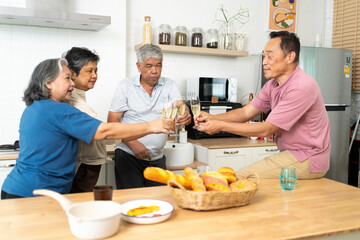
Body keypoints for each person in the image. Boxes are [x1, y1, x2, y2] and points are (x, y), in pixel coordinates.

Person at [1, 58, 172, 199]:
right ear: (49, 84)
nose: (72, 84)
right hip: (35, 194)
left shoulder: (33, 107)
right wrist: (151, 126)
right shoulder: (60, 110)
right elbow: (104, 131)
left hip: (16, 189)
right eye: (67, 78)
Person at [195, 31, 330, 180]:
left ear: (290, 57)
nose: (264, 62)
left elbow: (266, 129)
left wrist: (220, 126)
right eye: (263, 56)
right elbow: (246, 112)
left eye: (270, 56)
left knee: (243, 176)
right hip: (292, 154)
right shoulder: (272, 84)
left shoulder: (301, 86)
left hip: (310, 157)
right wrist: (212, 117)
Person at [108, 44, 191, 189]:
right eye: (149, 66)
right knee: (132, 203)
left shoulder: (169, 85)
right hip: (128, 155)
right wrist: (133, 143)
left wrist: (185, 114)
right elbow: (112, 121)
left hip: (157, 158)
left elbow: (180, 106)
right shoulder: (125, 86)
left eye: (158, 66)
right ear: (139, 66)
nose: (155, 71)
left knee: (159, 201)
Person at [63, 47, 116, 193]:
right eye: (89, 71)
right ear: (73, 74)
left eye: (96, 71)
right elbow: (105, 133)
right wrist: (148, 128)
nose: (94, 75)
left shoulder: (79, 98)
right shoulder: (74, 102)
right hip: (83, 168)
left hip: (87, 167)